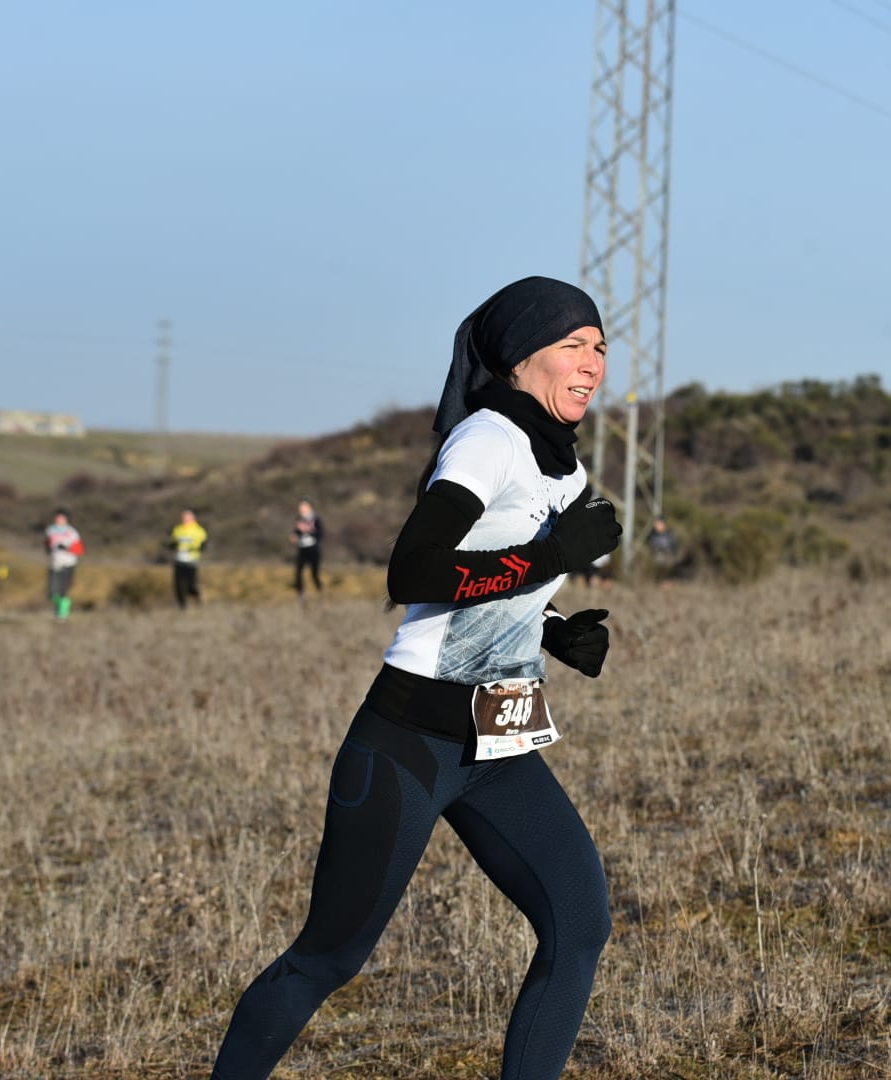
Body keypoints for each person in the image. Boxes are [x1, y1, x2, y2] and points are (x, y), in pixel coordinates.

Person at [211, 276, 623, 1080]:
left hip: (501, 741)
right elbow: (414, 568)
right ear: (518, 359)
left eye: (601, 347)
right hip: (410, 740)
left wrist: (551, 628)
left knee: (578, 925)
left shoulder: (562, 471)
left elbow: (495, 590)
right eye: (573, 344)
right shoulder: (488, 440)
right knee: (329, 957)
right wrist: (553, 558)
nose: (593, 362)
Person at [42, 508, 83, 620]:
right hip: (55, 563)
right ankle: (62, 606)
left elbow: (79, 549)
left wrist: (67, 548)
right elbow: (47, 544)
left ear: (66, 519)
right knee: (52, 593)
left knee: (64, 590)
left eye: (61, 517)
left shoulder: (72, 532)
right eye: (57, 517)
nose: (58, 519)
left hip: (68, 563)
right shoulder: (50, 530)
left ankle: (62, 613)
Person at [169, 509, 208, 609]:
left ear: (193, 518)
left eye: (187, 517)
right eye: (183, 517)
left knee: (191, 585)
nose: (185, 519)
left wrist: (195, 549)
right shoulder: (178, 529)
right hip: (179, 560)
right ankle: (182, 607)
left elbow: (204, 545)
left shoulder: (199, 530)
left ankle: (198, 596)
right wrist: (170, 546)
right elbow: (174, 543)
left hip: (191, 561)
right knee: (178, 585)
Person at [289, 499, 324, 596]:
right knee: (298, 572)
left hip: (313, 549)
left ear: (309, 507)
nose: (301, 509)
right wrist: (294, 537)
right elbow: (297, 532)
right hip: (302, 549)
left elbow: (320, 534)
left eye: (303, 507)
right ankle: (301, 595)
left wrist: (309, 530)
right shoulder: (299, 519)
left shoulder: (316, 519)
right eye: (300, 507)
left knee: (314, 574)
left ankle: (320, 591)